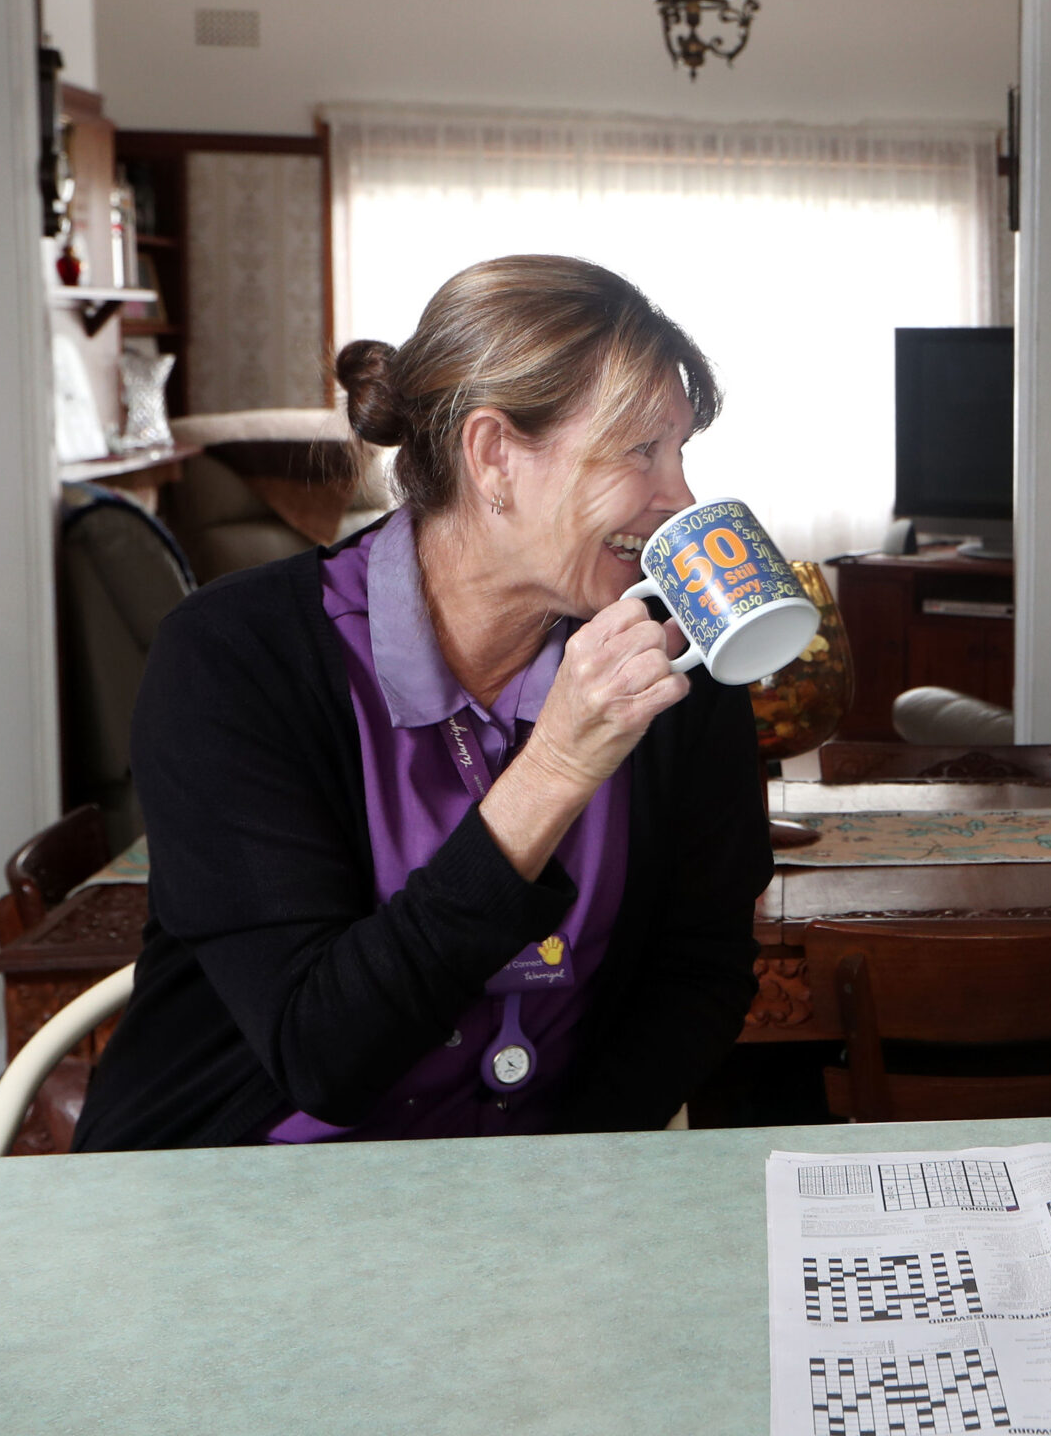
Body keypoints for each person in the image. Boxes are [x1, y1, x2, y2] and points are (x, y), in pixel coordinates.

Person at [75, 256, 773, 1149]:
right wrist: (555, 768)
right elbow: (322, 1052)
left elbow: (700, 967)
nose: (682, 498)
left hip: (533, 1210)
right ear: (494, 457)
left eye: (683, 451)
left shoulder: (673, 656)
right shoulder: (231, 659)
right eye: (642, 449)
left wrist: (567, 1174)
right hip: (237, 1200)